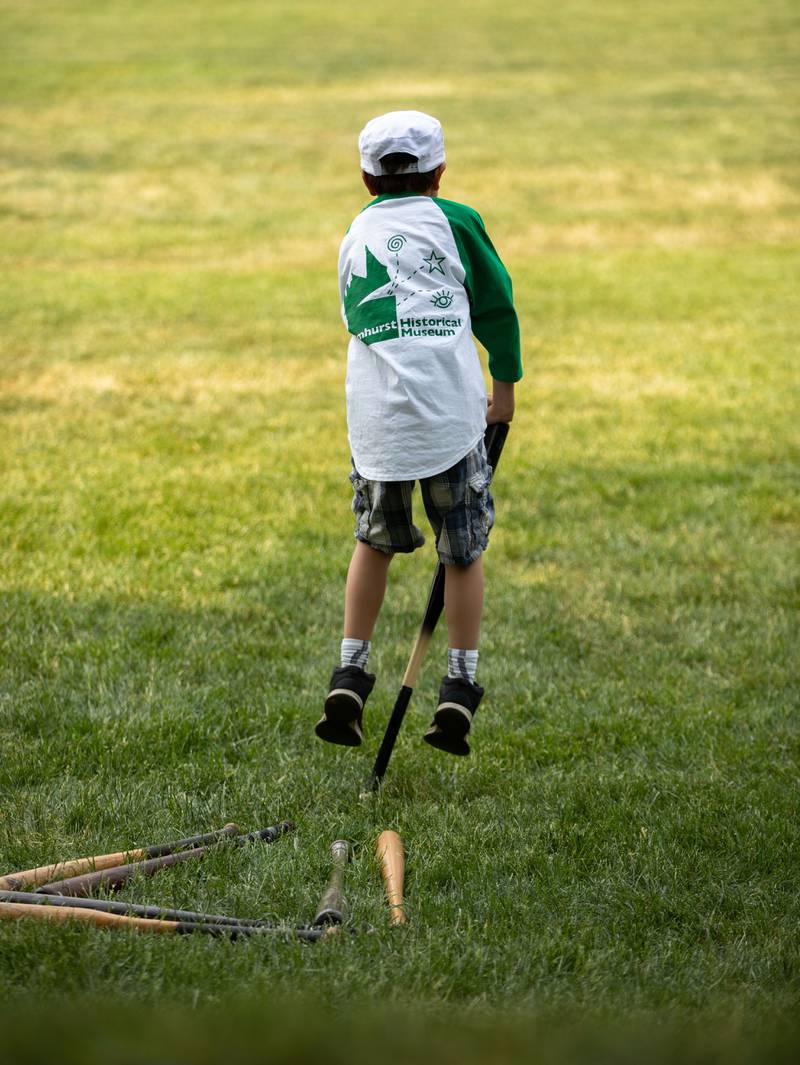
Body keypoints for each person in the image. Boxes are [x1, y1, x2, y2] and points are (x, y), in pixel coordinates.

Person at [315, 110, 522, 756]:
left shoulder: (355, 234)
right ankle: (459, 685)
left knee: (372, 542)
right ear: (440, 172)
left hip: (378, 426)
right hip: (451, 420)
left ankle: (351, 669)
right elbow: (497, 302)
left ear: (364, 177)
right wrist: (506, 385)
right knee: (461, 549)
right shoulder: (456, 221)